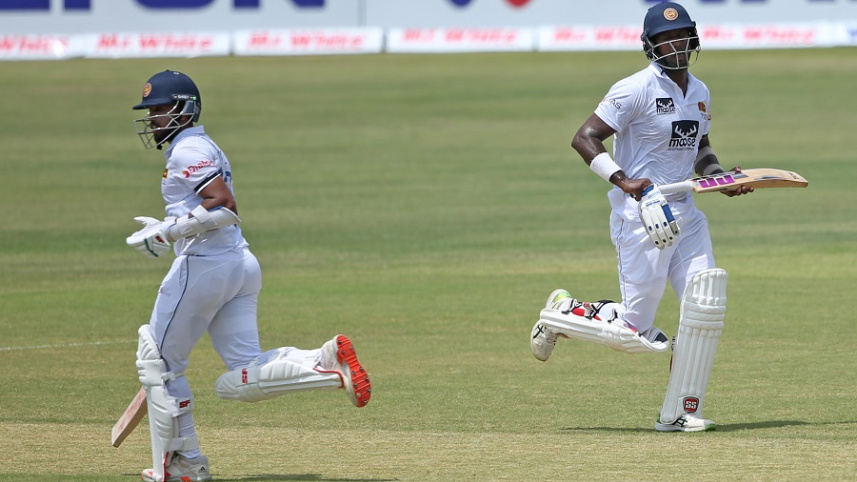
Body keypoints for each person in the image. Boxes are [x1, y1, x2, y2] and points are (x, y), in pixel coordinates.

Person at [126, 70, 372, 482]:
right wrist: (168, 222)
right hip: (238, 264)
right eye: (150, 110)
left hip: (204, 268)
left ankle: (183, 467)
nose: (152, 117)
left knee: (159, 365)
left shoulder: (187, 150)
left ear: (185, 109)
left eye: (159, 108)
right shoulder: (200, 145)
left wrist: (168, 232)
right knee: (241, 374)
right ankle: (323, 363)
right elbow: (206, 205)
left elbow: (223, 206)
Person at [530, 3, 752, 432]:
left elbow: (701, 149)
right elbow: (584, 138)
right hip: (643, 216)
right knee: (634, 332)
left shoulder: (700, 92)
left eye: (683, 36)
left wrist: (719, 176)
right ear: (650, 46)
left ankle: (679, 412)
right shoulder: (634, 88)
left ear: (694, 39)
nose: (676, 45)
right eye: (666, 39)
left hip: (685, 213)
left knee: (704, 307)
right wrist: (623, 180)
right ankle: (560, 312)